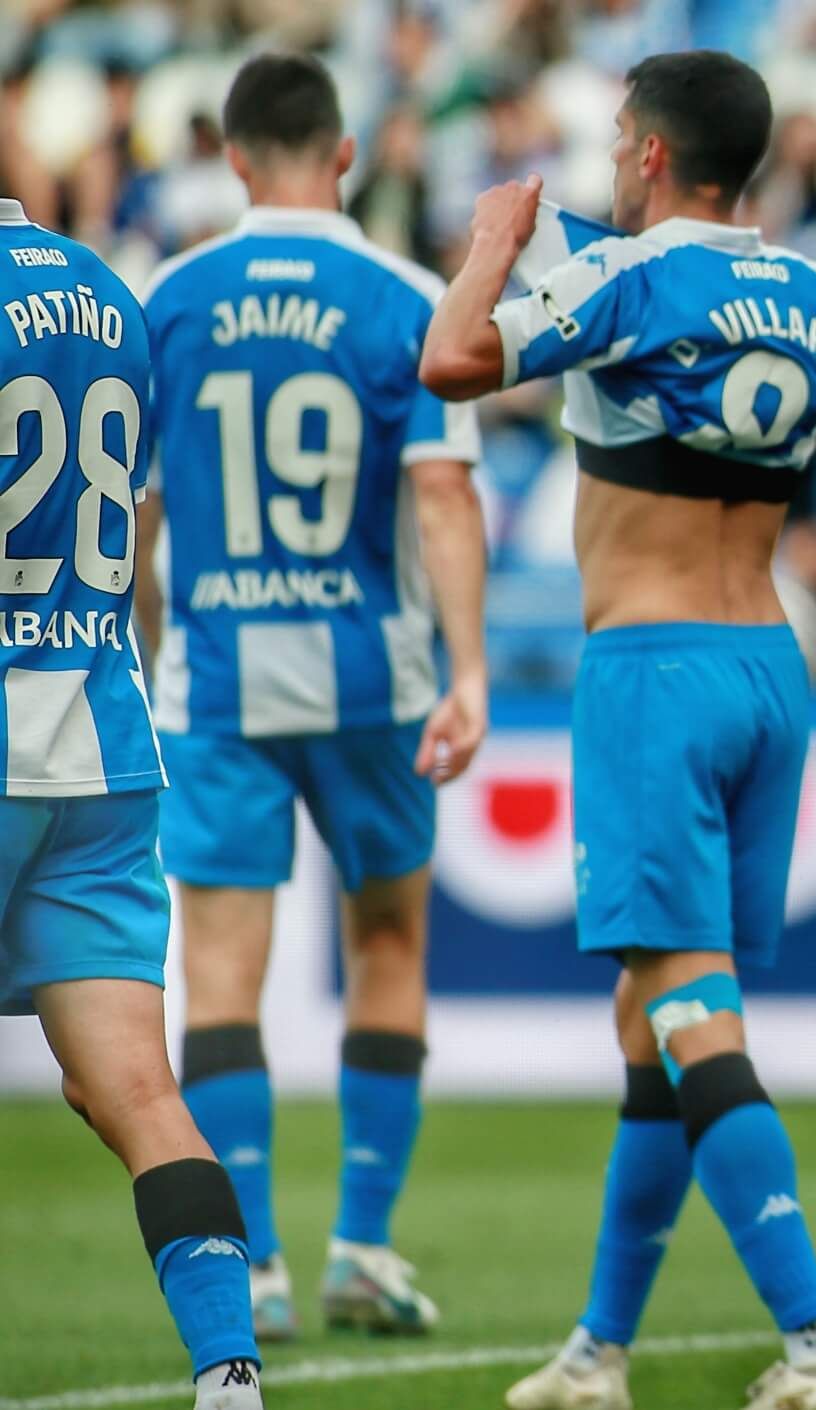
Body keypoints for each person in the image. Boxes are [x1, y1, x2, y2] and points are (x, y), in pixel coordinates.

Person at [418, 50, 816, 1410]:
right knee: (647, 1015)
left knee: (686, 1003)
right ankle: (599, 1351)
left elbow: (449, 360)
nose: (610, 160)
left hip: (651, 666)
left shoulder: (624, 278)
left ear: (652, 155)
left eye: (618, 140)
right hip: (771, 666)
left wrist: (491, 244)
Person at [134, 52, 488, 1340]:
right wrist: (471, 672)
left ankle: (260, 1265)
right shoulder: (405, 296)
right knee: (386, 946)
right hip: (370, 680)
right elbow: (444, 494)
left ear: (231, 158)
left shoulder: (166, 299)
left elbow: (140, 518)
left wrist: (156, 645)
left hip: (217, 682)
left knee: (221, 977)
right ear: (344, 156)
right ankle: (365, 1246)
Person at [0, 197, 263, 1406]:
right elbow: (139, 528)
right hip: (102, 746)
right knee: (142, 1094)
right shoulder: (107, 292)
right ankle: (229, 1373)